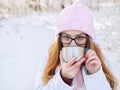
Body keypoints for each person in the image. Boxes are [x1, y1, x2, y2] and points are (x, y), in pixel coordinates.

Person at [34, 0, 118, 90]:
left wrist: (95, 74)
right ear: (59, 38)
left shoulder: (98, 59)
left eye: (80, 38)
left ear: (88, 39)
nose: (73, 44)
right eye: (66, 37)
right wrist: (64, 79)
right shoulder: (50, 57)